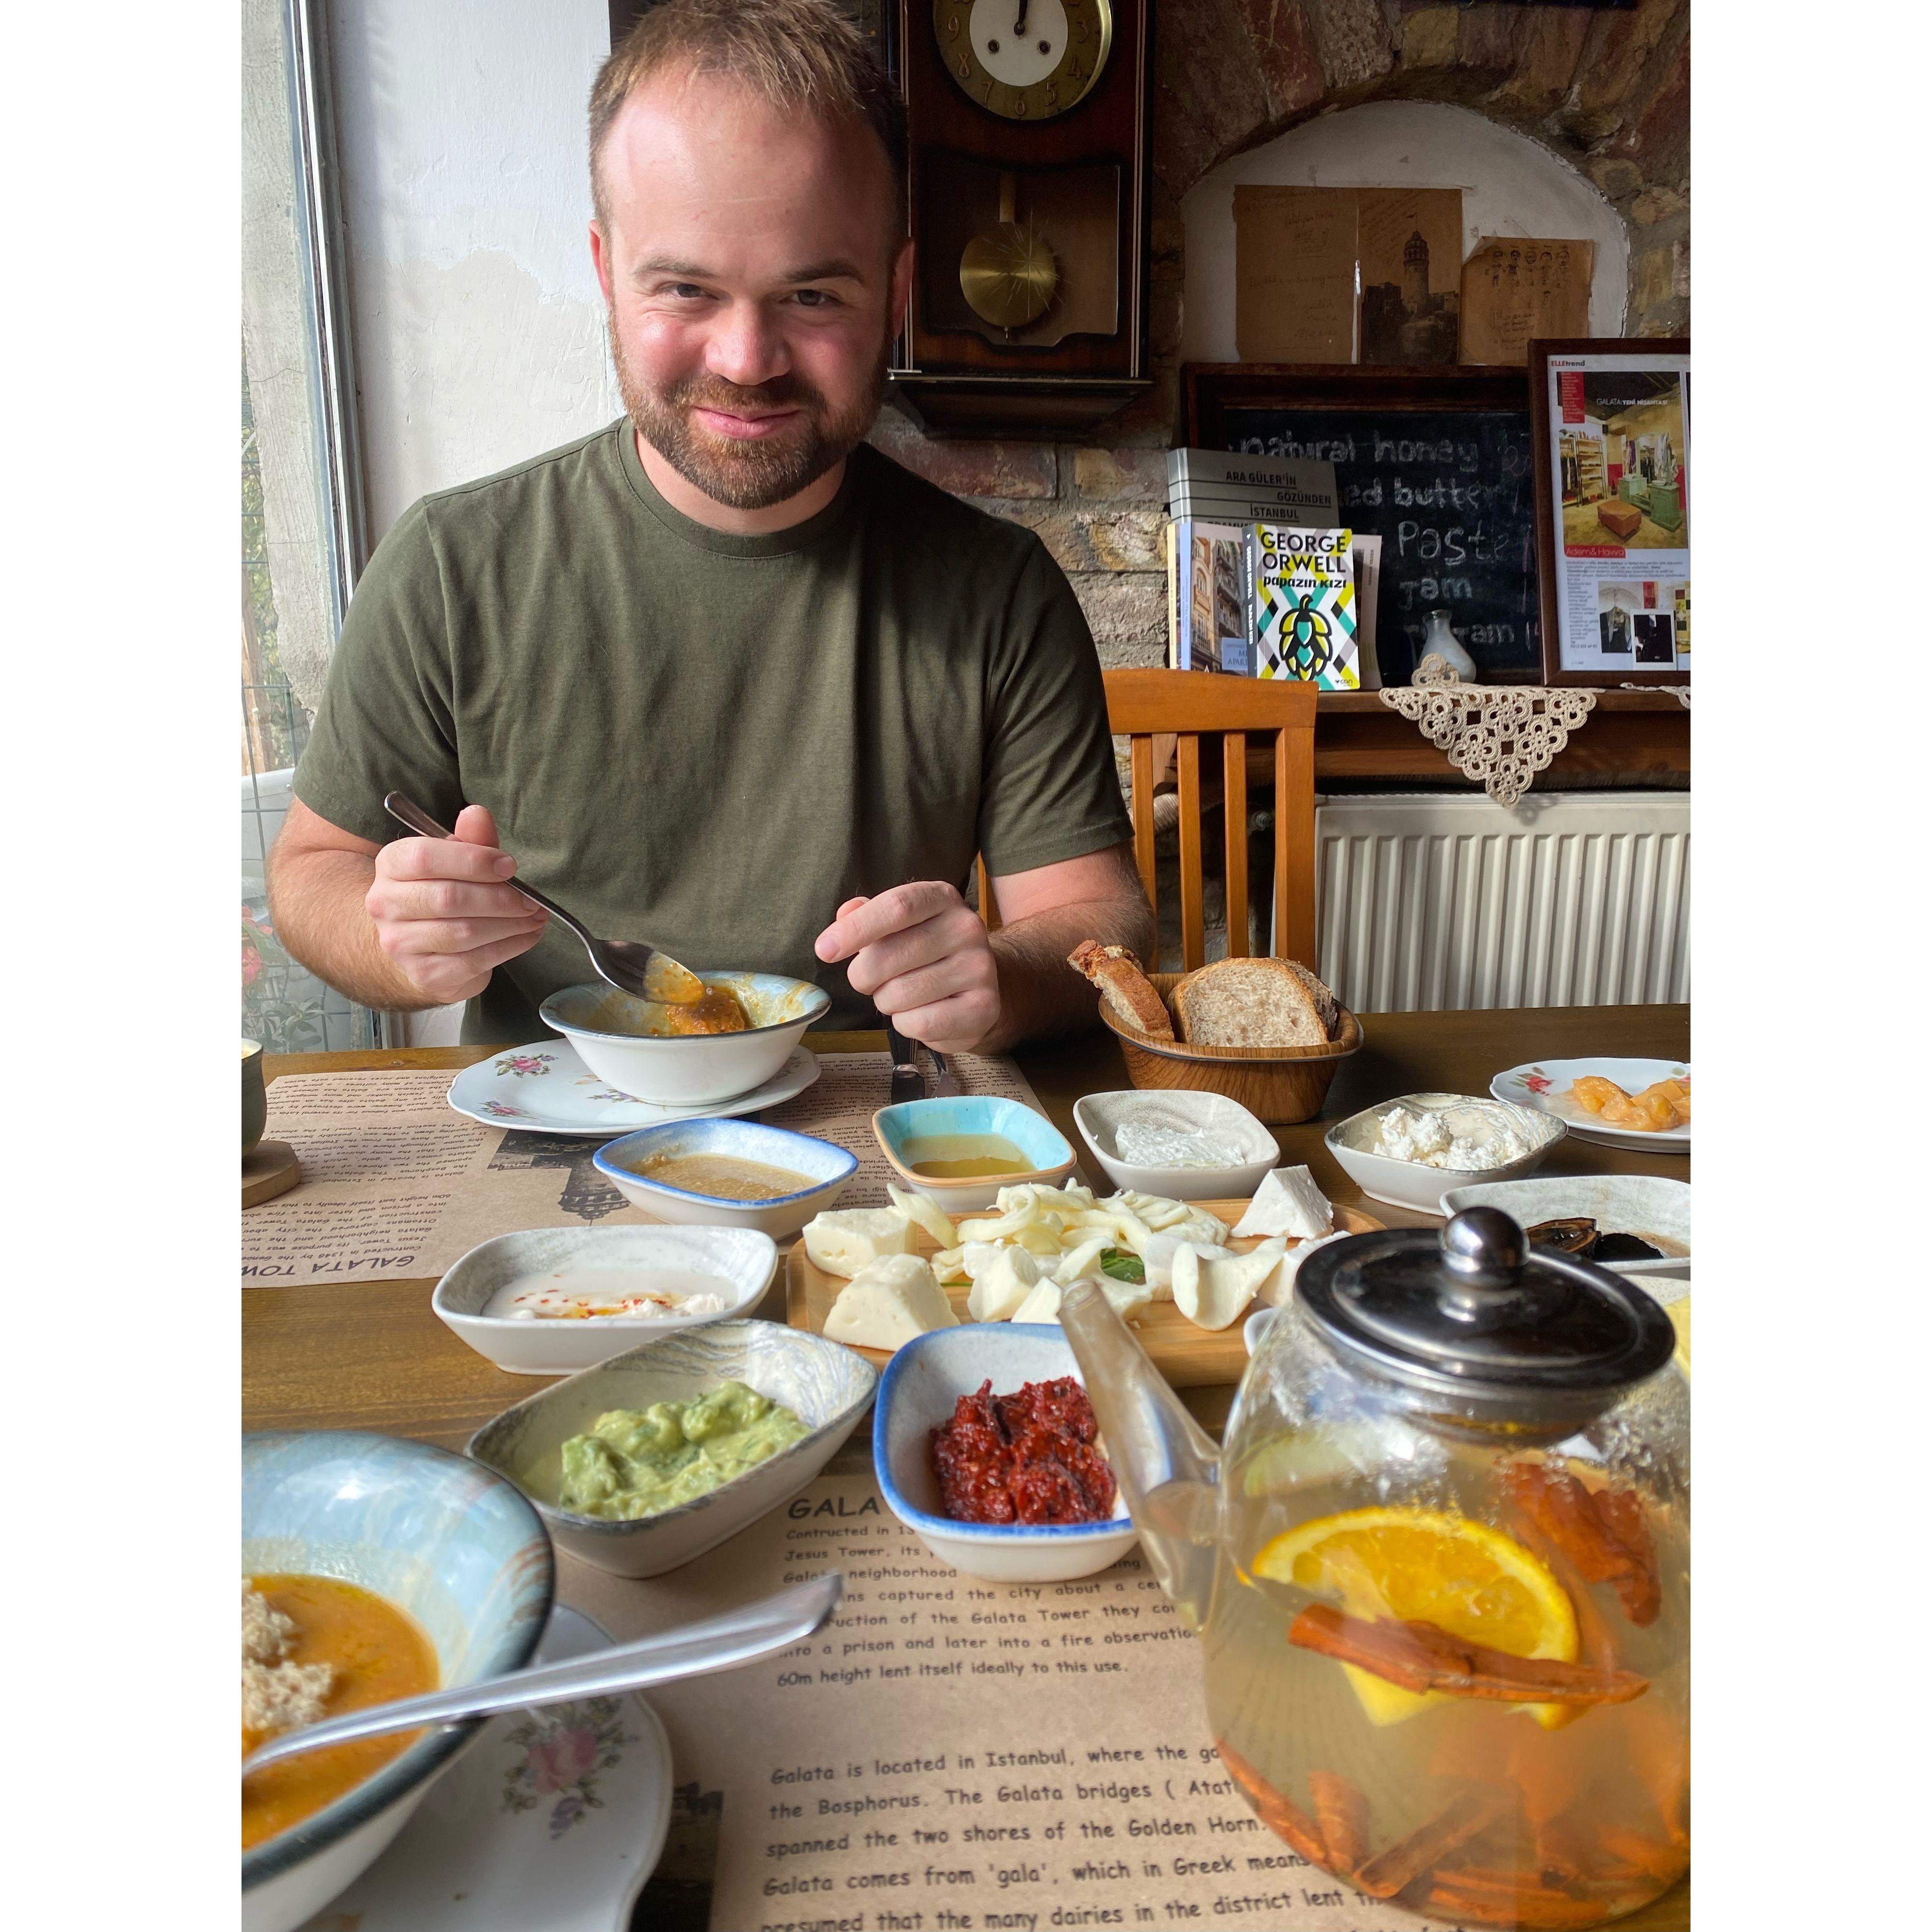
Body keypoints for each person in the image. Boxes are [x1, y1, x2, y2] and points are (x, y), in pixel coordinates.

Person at [268, 0, 1152, 1056]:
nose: (746, 358)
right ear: (606, 272)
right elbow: (314, 869)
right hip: (546, 1148)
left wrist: (1000, 975)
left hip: (878, 1162)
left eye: (813, 295)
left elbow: (1097, 917)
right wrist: (392, 930)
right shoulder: (452, 565)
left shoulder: (998, 589)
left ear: (900, 289)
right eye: (686, 288)